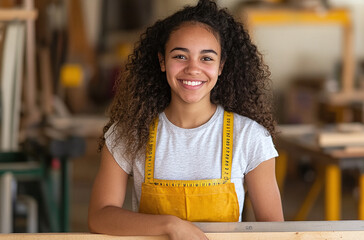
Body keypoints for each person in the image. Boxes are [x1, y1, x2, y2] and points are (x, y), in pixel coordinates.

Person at [88, 0, 284, 239]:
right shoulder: (129, 132)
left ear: (221, 66)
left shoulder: (250, 137)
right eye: (180, 56)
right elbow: (100, 216)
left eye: (207, 58)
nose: (193, 68)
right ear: (162, 61)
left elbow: (275, 231)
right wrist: (171, 226)